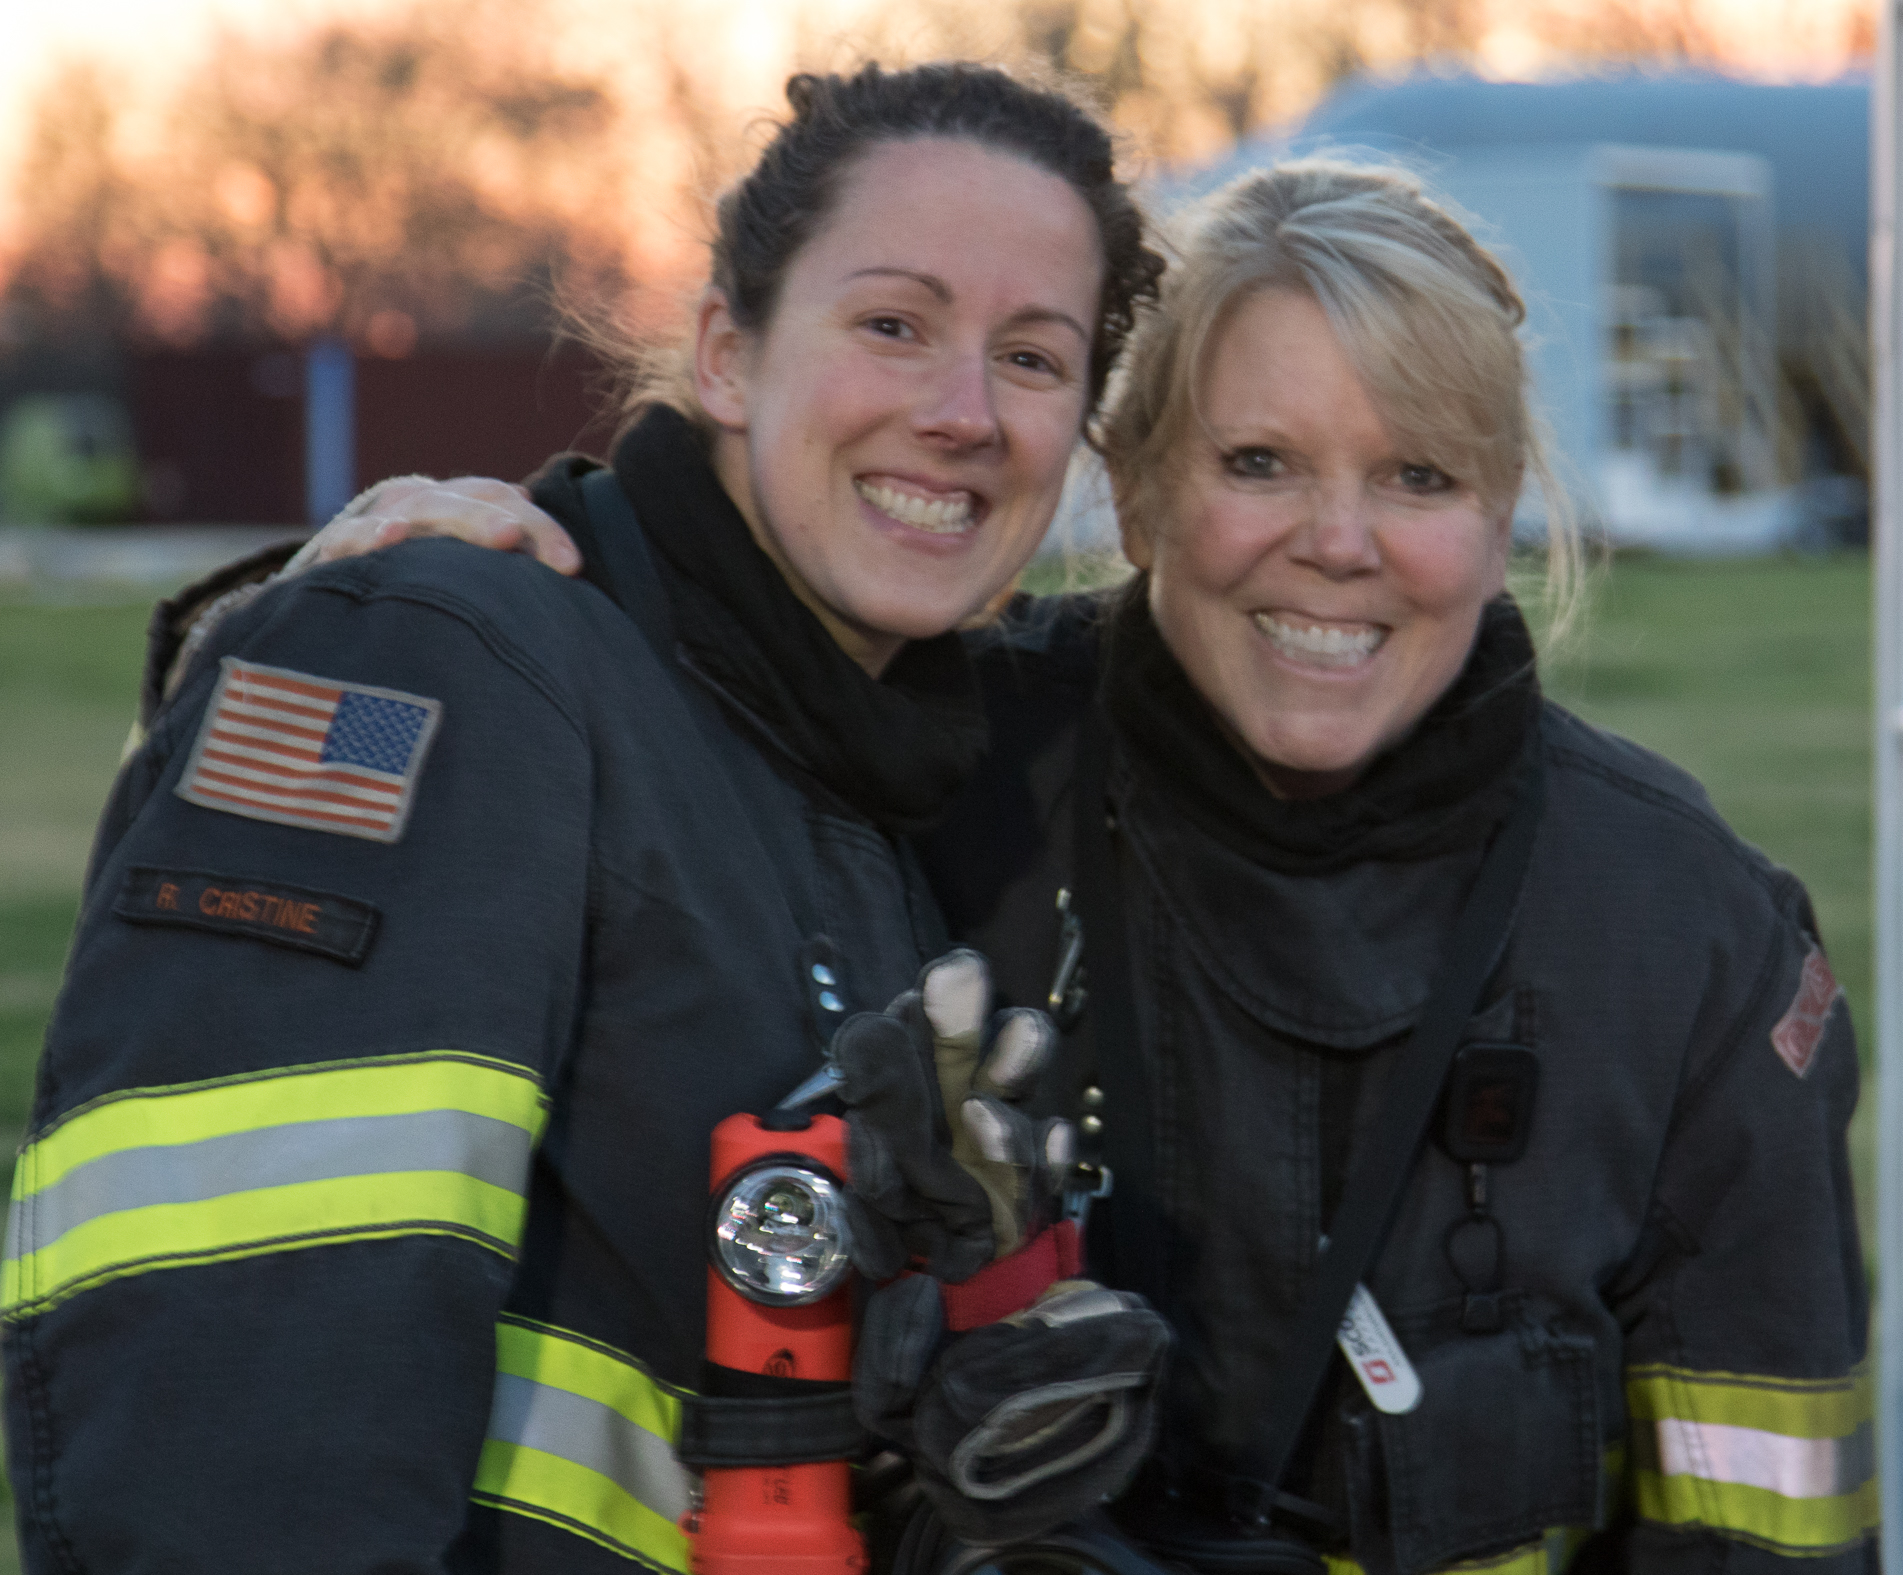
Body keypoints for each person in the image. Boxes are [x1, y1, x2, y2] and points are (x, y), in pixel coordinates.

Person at [129, 165, 1876, 1575]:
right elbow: (631, 670)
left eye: (1417, 475)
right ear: (1132, 475)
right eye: (1256, 462)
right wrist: (382, 589)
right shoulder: (914, 763)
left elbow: (1769, 1529)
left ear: (1506, 506)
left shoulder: (1689, 941)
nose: (1336, 546)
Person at [3, 63, 1173, 1573]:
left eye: (1031, 358)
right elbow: (232, 1363)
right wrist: (341, 626)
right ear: (727, 354)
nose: (961, 412)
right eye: (894, 324)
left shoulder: (851, 783)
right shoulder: (432, 650)